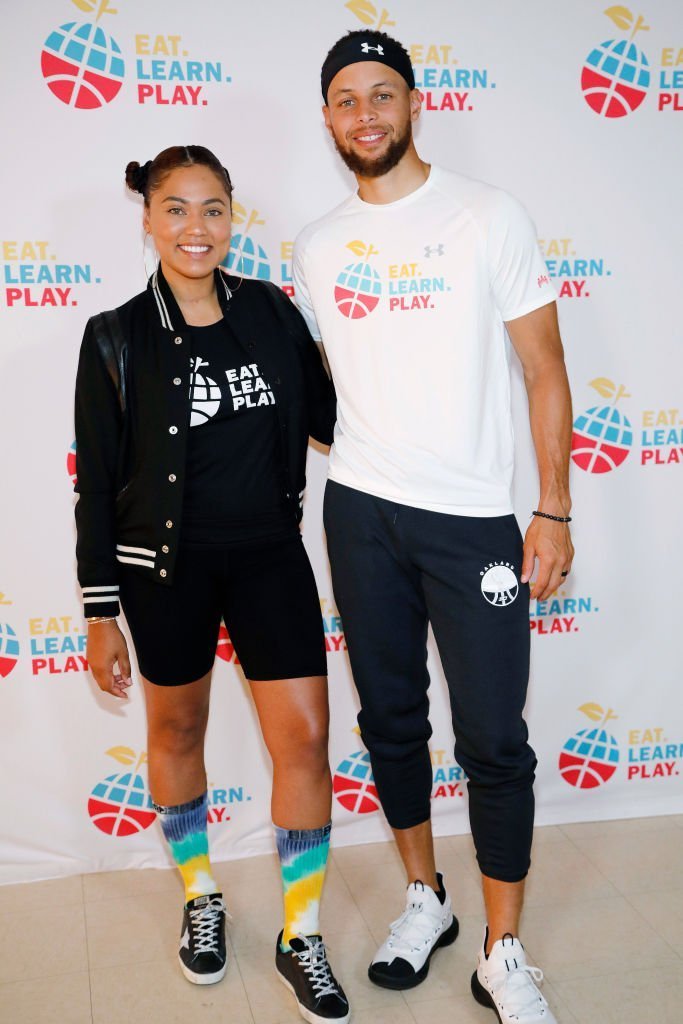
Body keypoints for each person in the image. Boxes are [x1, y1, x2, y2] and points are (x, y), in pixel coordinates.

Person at [292, 31, 574, 1024]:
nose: (363, 114)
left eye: (380, 94)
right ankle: (427, 898)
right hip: (361, 513)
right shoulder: (316, 245)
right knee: (391, 723)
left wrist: (551, 507)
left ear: (413, 104)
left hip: (472, 522)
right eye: (342, 99)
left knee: (494, 738)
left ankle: (504, 949)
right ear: (326, 117)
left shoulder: (486, 216)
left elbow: (542, 368)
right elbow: (333, 386)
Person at [75, 145, 350, 1024]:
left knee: (304, 743)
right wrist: (98, 611)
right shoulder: (114, 335)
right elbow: (96, 484)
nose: (197, 228)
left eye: (213, 209)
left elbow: (334, 417)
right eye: (177, 209)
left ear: (234, 217)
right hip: (165, 569)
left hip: (269, 554)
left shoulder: (269, 311)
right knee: (177, 727)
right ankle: (201, 896)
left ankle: (299, 934)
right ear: (149, 220)